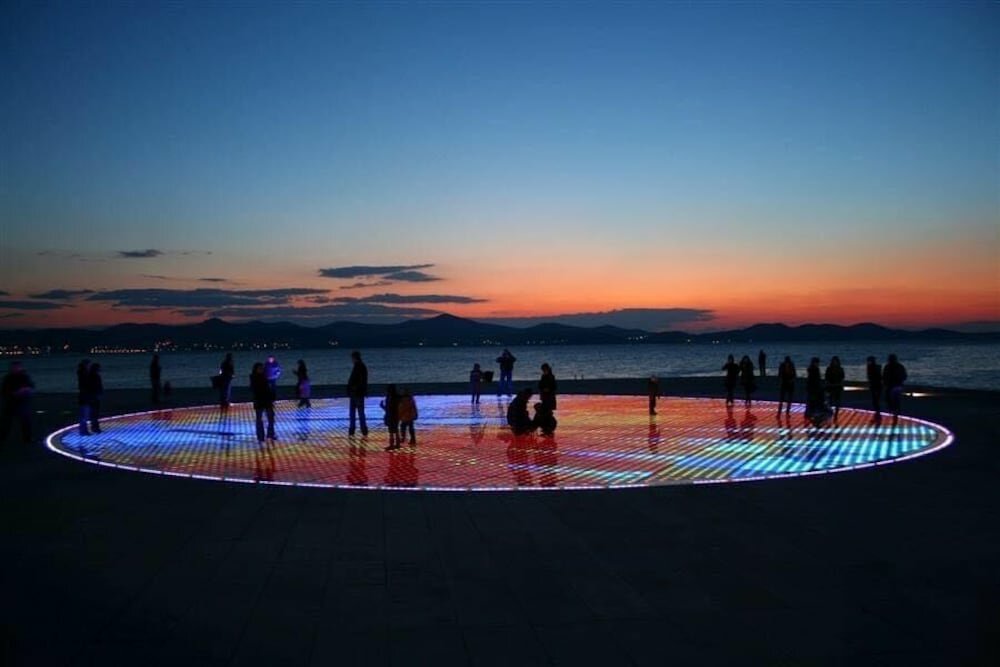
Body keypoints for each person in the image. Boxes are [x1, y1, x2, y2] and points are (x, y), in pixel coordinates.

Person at [0, 361, 34, 444]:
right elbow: (4, 390)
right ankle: (3, 437)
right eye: (14, 367)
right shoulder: (8, 378)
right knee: (7, 422)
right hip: (11, 402)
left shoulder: (24, 377)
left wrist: (25, 391)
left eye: (17, 367)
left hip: (22, 402)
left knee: (24, 421)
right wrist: (14, 393)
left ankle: (27, 439)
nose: (16, 369)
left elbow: (31, 387)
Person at [249, 362, 276, 443]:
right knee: (260, 419)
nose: (261, 369)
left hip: (265, 400)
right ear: (256, 369)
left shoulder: (263, 377)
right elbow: (256, 389)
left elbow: (267, 388)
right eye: (259, 368)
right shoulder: (255, 378)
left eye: (262, 368)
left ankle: (269, 434)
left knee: (269, 418)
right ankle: (262, 436)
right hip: (260, 400)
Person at [346, 350, 368, 436]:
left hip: (356, 393)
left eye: (352, 358)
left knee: (354, 412)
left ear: (354, 358)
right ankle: (363, 429)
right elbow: (364, 380)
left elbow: (358, 380)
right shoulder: (362, 366)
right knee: (360, 412)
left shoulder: (358, 366)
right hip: (358, 393)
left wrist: (352, 388)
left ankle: (353, 430)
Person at [883, 353, 908, 423]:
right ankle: (897, 411)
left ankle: (893, 411)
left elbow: (884, 376)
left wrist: (885, 383)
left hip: (891, 386)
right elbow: (905, 376)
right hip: (899, 386)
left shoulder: (887, 366)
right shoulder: (900, 366)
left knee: (889, 399)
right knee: (897, 399)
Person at [805, 357, 829, 425]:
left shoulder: (811, 370)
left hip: (812, 389)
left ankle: (809, 415)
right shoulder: (815, 370)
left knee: (811, 403)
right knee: (815, 403)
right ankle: (814, 417)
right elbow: (816, 380)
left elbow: (811, 380)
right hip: (814, 389)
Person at [380, 384, 401, 451]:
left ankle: (392, 445)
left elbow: (388, 408)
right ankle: (397, 444)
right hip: (396, 415)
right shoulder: (397, 397)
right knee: (396, 429)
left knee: (391, 431)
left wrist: (382, 406)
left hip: (390, 415)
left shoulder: (389, 397)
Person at [86, 362, 104, 434]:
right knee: (95, 413)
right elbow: (98, 386)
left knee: (93, 413)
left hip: (91, 396)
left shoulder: (89, 376)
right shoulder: (95, 376)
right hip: (94, 396)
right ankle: (95, 428)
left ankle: (94, 427)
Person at [77, 359, 91, 435]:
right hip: (85, 396)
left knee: (84, 414)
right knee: (84, 414)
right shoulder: (84, 374)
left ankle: (83, 430)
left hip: (83, 396)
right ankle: (83, 430)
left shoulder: (81, 373)